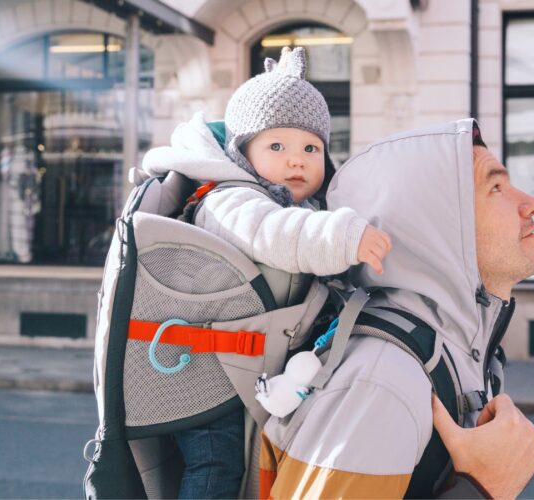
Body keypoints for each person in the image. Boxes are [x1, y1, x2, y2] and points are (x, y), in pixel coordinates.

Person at [141, 46, 391, 499]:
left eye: (311, 148)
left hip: (244, 372)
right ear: (241, 152)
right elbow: (275, 234)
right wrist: (344, 237)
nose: (297, 160)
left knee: (251, 469)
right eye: (277, 146)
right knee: (216, 466)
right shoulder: (229, 198)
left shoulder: (301, 205)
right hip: (205, 378)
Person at [258, 119, 534, 498]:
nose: (531, 204)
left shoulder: (448, 346)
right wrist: (486, 488)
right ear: (439, 225)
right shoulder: (384, 382)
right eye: (496, 187)